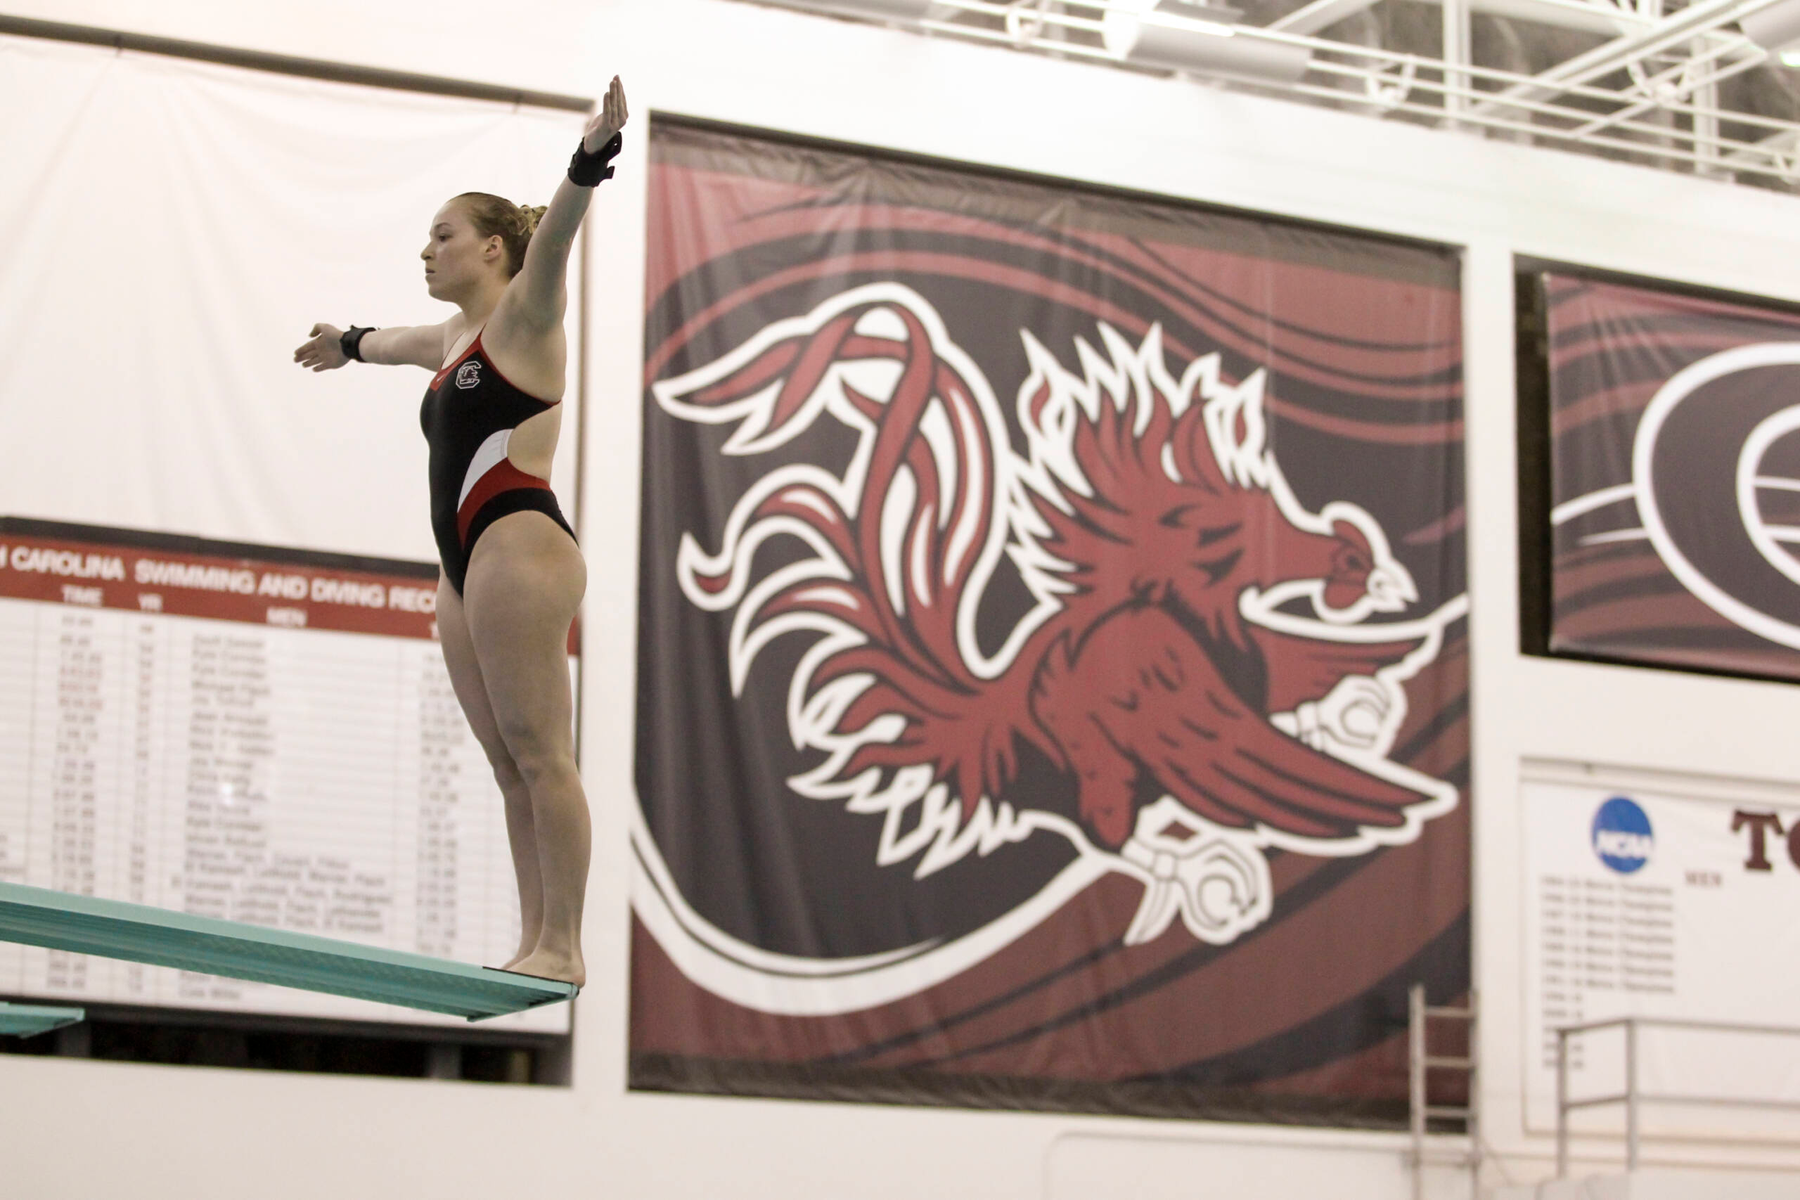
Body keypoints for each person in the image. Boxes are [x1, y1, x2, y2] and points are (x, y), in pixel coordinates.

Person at [292, 77, 630, 988]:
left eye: (441, 236)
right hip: (463, 560)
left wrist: (587, 163)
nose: (426, 251)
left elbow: (555, 242)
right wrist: (348, 341)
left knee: (542, 751)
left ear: (491, 247)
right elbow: (394, 340)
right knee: (504, 762)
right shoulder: (451, 339)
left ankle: (567, 943)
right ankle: (536, 940)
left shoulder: (526, 315)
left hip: (520, 538)